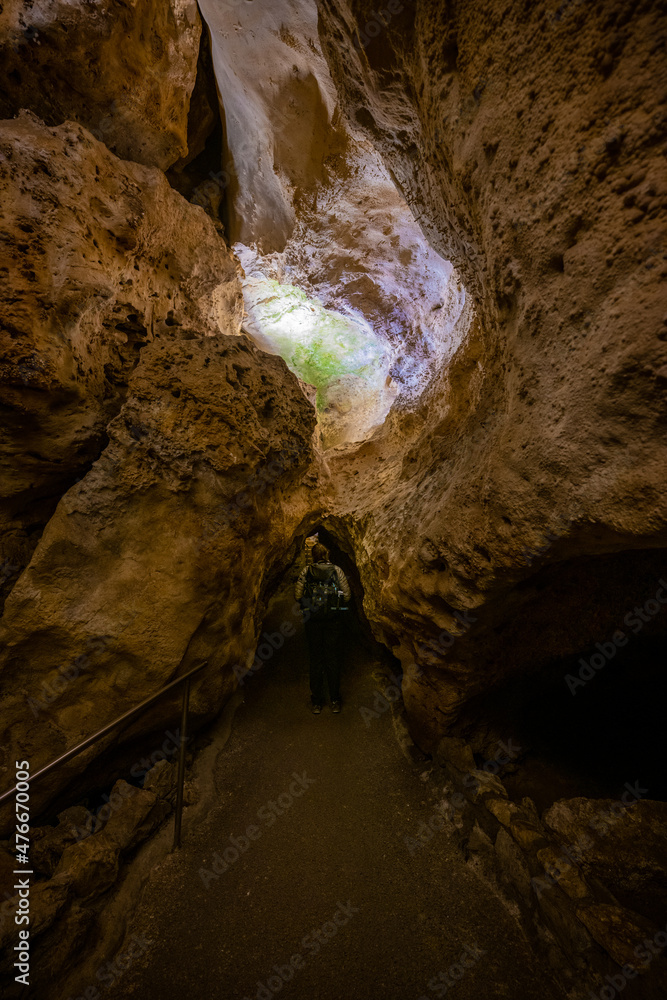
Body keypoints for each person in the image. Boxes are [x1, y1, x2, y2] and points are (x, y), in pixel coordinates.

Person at [295, 543, 351, 714]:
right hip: (333, 621)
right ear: (327, 554)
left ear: (313, 555)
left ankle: (317, 702)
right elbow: (347, 596)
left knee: (316, 659)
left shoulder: (306, 571)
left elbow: (297, 596)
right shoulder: (337, 570)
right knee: (332, 659)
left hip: (312, 622)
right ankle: (334, 700)